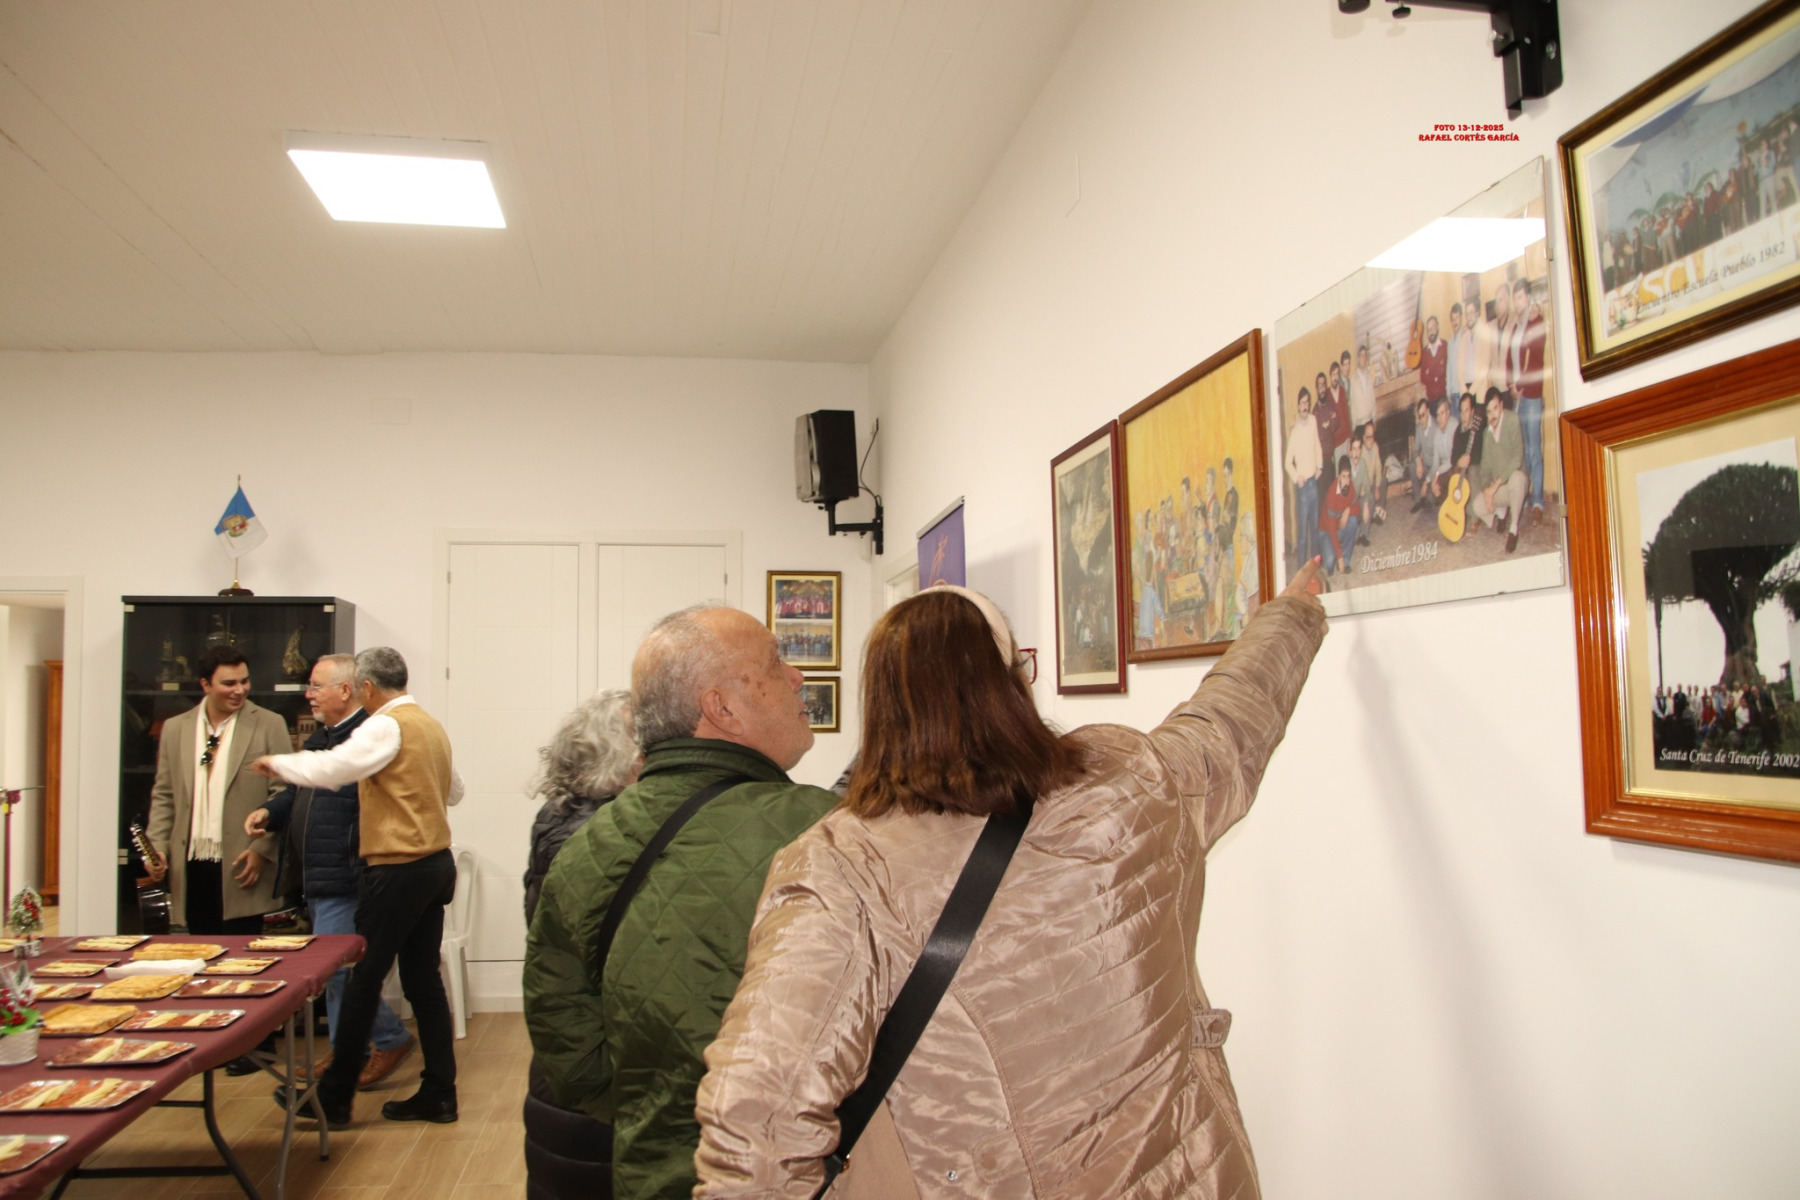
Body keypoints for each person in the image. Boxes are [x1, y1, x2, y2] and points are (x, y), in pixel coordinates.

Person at [693, 565, 1329, 1197]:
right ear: (1012, 683)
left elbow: (757, 1121)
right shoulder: (1134, 783)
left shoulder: (842, 869)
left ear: (883, 709)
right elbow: (1228, 725)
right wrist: (1291, 615)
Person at [523, 606, 837, 1199]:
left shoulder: (588, 844)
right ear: (721, 708)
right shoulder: (827, 832)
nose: (798, 677)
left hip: (647, 1169)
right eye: (775, 663)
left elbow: (567, 1044)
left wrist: (658, 1113)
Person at [249, 646, 466, 1128]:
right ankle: (439, 1093)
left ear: (366, 687)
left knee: (362, 981)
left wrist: (278, 763)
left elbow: (334, 769)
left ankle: (335, 1099)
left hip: (398, 868)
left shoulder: (385, 725)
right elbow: (455, 791)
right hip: (434, 865)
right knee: (423, 982)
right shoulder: (430, 726)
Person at [255, 653, 414, 1088]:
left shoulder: (368, 739)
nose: (308, 694)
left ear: (346, 690)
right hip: (318, 876)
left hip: (347, 876)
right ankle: (352, 1052)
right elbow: (298, 791)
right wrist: (270, 813)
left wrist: (277, 762)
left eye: (316, 686)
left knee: (338, 971)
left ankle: (386, 1039)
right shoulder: (322, 738)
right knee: (337, 972)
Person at [521, 689, 643, 1200]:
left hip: (566, 1054)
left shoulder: (560, 813)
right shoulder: (603, 835)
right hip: (596, 1063)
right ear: (625, 758)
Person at [146, 645, 290, 935]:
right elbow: (164, 796)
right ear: (205, 685)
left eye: (244, 681)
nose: (240, 690)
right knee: (201, 951)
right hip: (190, 865)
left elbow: (285, 794)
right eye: (229, 683)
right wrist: (157, 847)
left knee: (243, 955)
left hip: (242, 863)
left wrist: (262, 851)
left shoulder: (269, 724)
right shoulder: (175, 728)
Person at [1507, 278, 1549, 515]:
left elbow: (1534, 362)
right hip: (1517, 396)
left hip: (1531, 396)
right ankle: (1524, 496)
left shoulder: (1537, 322)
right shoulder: (1515, 327)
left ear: (1528, 297)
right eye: (1514, 298)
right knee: (1522, 452)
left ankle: (1538, 501)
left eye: (1520, 297)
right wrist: (1510, 385)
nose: (1517, 302)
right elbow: (1508, 360)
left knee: (1534, 450)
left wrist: (1519, 385)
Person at [1472, 389, 1527, 553]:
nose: (1492, 415)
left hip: (1516, 484)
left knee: (1517, 478)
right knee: (1477, 506)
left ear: (1501, 406)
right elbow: (1484, 468)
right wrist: (1487, 493)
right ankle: (1501, 511)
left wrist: (1495, 485)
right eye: (1489, 411)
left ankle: (1513, 528)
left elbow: (1517, 457)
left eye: (1495, 408)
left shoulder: (1512, 420)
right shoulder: (1486, 434)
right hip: (1500, 489)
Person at [1285, 388, 1323, 567]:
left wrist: (1320, 466)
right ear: (1298, 406)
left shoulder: (1313, 421)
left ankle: (1315, 568)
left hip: (1313, 483)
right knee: (1302, 536)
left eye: (1307, 402)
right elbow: (1287, 462)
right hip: (1302, 489)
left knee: (1314, 529)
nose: (1305, 406)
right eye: (1302, 403)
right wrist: (1296, 478)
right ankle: (1301, 570)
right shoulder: (1295, 431)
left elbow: (1317, 444)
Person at [1319, 455, 1360, 576]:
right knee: (1330, 562)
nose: (1346, 481)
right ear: (1338, 476)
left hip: (1339, 527)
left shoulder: (1351, 487)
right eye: (1343, 476)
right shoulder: (1332, 494)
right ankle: (1326, 549)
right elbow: (1331, 529)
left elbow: (1358, 510)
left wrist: (1348, 510)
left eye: (1348, 476)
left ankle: (1346, 560)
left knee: (1353, 521)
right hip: (1326, 531)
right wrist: (1339, 557)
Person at [1418, 313, 1447, 405]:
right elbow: (1422, 377)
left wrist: (1430, 373)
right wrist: (1436, 377)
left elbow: (1447, 369)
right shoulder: (1424, 352)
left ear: (1437, 327)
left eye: (1433, 328)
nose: (1431, 332)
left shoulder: (1445, 346)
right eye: (1428, 330)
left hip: (1445, 397)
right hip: (1432, 401)